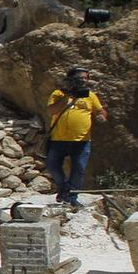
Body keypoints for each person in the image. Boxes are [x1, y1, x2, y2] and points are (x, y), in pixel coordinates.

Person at [44, 66, 107, 209]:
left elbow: (100, 109)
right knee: (53, 167)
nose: (83, 81)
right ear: (70, 79)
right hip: (58, 139)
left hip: (82, 141)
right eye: (80, 78)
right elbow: (51, 110)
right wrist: (68, 96)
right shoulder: (58, 93)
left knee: (78, 168)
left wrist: (101, 116)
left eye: (86, 78)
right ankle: (64, 188)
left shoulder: (89, 95)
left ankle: (72, 198)